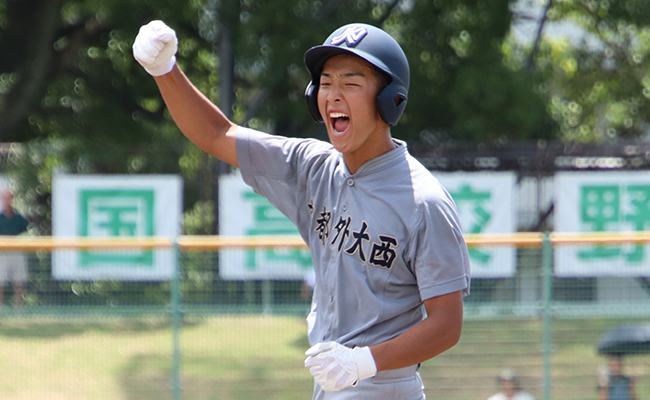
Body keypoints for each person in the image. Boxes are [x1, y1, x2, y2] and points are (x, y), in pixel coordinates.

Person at [133, 20, 470, 399]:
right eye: (326, 83)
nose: (334, 95)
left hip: (385, 387)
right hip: (330, 385)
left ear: (389, 98)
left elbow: (446, 325)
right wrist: (165, 70)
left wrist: (364, 362)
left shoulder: (423, 202)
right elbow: (216, 134)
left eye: (351, 83)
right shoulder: (314, 166)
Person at [0, 188, 29, 307]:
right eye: (4, 197)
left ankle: (18, 311)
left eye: (9, 197)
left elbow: (26, 234)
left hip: (17, 252)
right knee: (1, 283)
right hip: (2, 253)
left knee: (19, 282)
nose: (7, 200)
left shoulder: (19, 218)